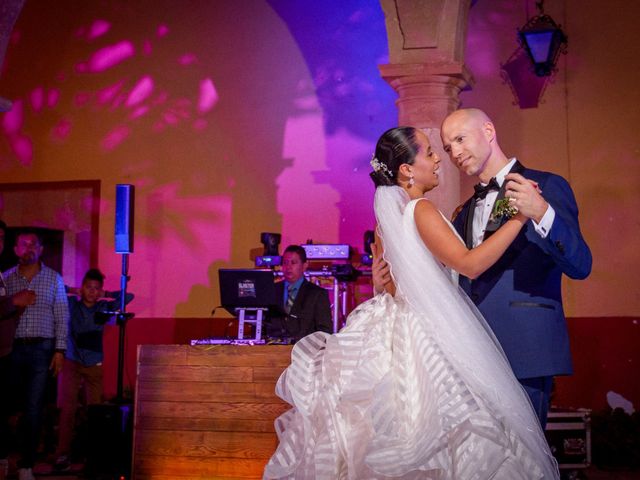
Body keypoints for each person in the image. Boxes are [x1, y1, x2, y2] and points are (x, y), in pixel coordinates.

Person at [264, 127, 559, 479]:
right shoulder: (420, 210)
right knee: (452, 427)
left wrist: (380, 283)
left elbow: (391, 288)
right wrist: (520, 217)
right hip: (426, 332)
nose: (438, 160)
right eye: (430, 152)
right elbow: (470, 263)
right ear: (407, 169)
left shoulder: (384, 222)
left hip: (395, 323)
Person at [439, 108, 592, 427]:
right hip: (472, 353)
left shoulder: (547, 186)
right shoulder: (464, 211)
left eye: (460, 139)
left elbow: (581, 265)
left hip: (526, 349)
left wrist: (542, 213)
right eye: (447, 146)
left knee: (525, 464)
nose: (454, 152)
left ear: (489, 131)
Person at [53, 268, 134, 471]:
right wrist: (74, 290)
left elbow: (128, 296)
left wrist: (105, 295)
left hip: (94, 364)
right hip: (72, 362)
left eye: (96, 288)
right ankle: (63, 454)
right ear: (83, 288)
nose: (92, 292)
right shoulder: (72, 304)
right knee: (68, 409)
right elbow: (56, 290)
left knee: (95, 410)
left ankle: (94, 454)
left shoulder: (102, 309)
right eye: (89, 287)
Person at [4, 230, 69, 480]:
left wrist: (60, 350)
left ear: (41, 249)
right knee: (9, 407)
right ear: (15, 249)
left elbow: (62, 316)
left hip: (42, 349)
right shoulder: (6, 278)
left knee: (33, 407)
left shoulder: (54, 279)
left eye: (34, 244)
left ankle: (26, 464)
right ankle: (5, 457)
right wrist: (15, 302)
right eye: (23, 244)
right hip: (10, 349)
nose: (29, 247)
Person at [0, 222, 37, 480]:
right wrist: (14, 300)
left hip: (7, 351)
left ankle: (5, 462)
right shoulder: (8, 275)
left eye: (1, 237)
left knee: (8, 411)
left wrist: (18, 307)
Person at [265, 245, 332, 342]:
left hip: (305, 352)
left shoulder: (317, 294)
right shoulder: (271, 290)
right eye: (285, 263)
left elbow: (325, 331)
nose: (288, 267)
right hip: (272, 350)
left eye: (293, 263)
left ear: (304, 266)